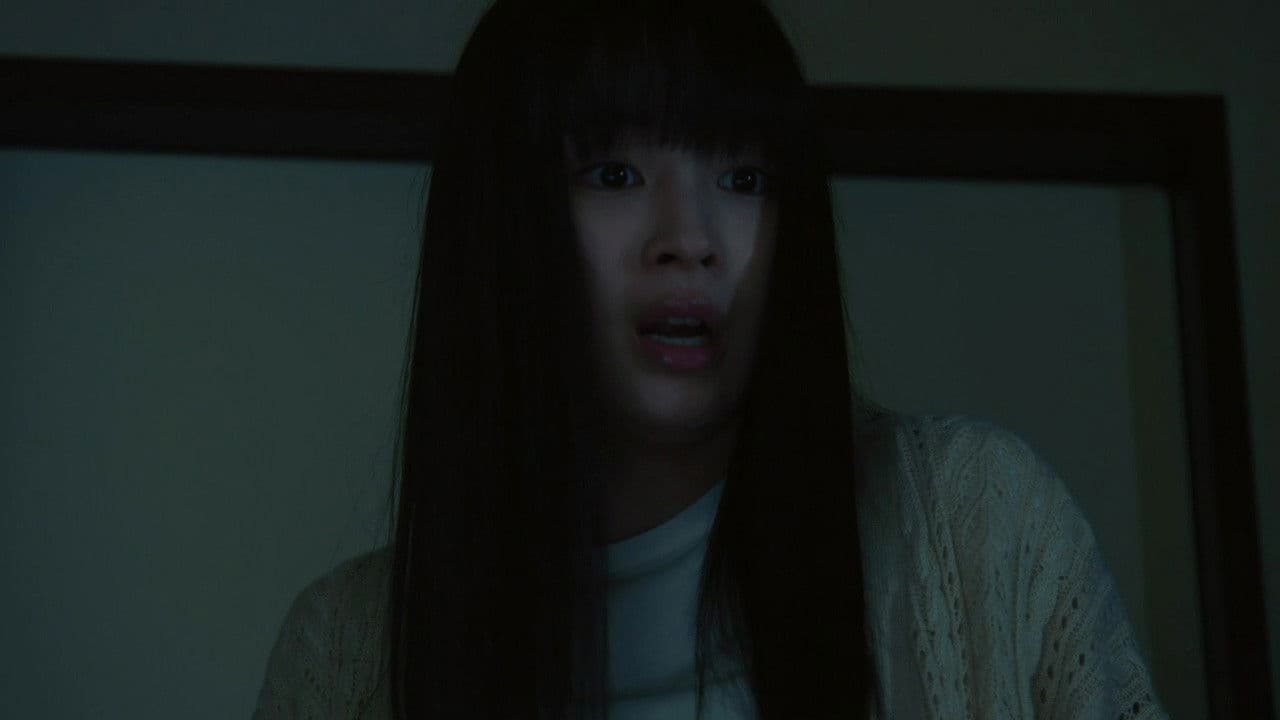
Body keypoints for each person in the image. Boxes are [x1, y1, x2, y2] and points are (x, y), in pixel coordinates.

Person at [252, 0, 1170, 718]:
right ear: (502, 223)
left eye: (743, 178)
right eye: (615, 175)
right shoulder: (346, 653)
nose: (690, 239)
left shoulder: (980, 525)